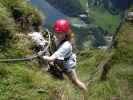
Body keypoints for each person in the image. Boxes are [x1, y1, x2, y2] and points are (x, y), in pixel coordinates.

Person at [38, 19, 87, 91]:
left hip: (68, 65)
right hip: (62, 59)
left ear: (65, 33)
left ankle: (85, 92)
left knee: (75, 81)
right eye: (56, 32)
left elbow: (51, 58)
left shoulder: (66, 46)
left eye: (60, 33)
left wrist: (42, 56)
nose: (57, 34)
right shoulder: (58, 38)